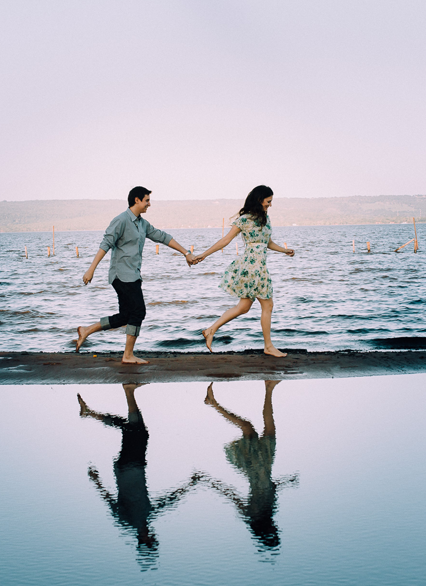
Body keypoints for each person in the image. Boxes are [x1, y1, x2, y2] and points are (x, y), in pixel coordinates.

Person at [78, 386, 203, 570]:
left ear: (144, 540)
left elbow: (109, 500)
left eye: (151, 540)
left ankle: (101, 407)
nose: (153, 536)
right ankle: (126, 394)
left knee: (135, 431)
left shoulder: (126, 520)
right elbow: (169, 500)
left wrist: (96, 480)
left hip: (128, 468)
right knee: (138, 431)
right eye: (154, 539)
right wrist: (189, 485)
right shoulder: (146, 515)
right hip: (135, 465)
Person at [76, 186, 195, 364]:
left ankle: (86, 330)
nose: (149, 204)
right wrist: (91, 269)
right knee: (138, 311)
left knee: (126, 316)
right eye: (147, 200)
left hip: (133, 275)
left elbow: (162, 237)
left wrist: (186, 253)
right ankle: (128, 355)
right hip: (121, 275)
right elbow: (105, 244)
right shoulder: (121, 220)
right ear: (137, 200)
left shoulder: (142, 224)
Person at [192, 185, 294, 357]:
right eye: (268, 201)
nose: (270, 204)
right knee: (267, 305)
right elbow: (225, 240)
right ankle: (268, 346)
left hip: (259, 266)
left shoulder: (265, 218)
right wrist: (203, 255)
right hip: (252, 267)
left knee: (243, 307)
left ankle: (210, 330)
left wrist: (284, 251)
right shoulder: (244, 219)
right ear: (259, 199)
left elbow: (267, 243)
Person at [202, 380, 298, 555]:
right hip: (266, 465)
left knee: (248, 428)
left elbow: (232, 496)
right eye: (275, 532)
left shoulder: (251, 515)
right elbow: (271, 487)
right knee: (265, 428)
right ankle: (269, 388)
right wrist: (287, 482)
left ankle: (213, 403)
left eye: (272, 533)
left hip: (254, 467)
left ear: (265, 533)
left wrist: (208, 481)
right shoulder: (269, 512)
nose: (274, 530)